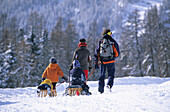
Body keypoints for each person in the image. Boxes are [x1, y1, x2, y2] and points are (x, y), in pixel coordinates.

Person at [94, 28, 120, 94]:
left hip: (103, 61)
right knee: (111, 74)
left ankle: (100, 90)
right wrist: (114, 56)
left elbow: (96, 53)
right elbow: (117, 53)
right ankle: (109, 85)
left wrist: (96, 62)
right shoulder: (112, 41)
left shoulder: (101, 42)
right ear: (109, 33)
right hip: (111, 61)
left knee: (102, 75)